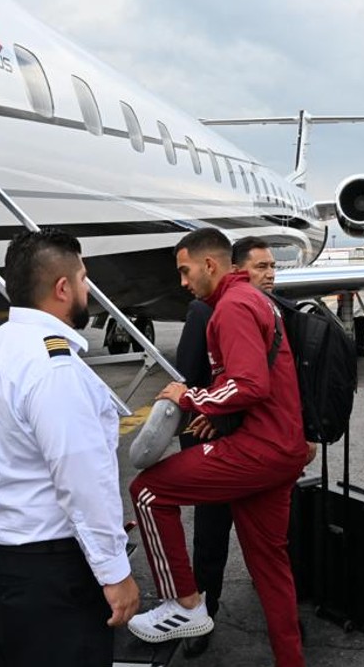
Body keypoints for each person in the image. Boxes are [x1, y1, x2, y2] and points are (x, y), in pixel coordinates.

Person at [0, 228, 139, 667]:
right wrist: (115, 573)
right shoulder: (55, 369)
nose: (86, 289)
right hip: (48, 572)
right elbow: (82, 480)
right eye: (82, 279)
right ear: (62, 288)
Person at [128, 228, 306, 667]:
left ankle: (186, 604)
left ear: (210, 265)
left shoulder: (233, 307)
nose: (183, 283)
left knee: (147, 493)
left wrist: (189, 398)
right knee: (270, 567)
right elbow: (250, 381)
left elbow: (248, 383)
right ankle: (291, 659)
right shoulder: (254, 301)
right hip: (282, 449)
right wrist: (216, 408)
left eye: (185, 272)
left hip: (257, 450)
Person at [171, 236, 282, 659]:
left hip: (260, 448)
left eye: (272, 268)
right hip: (216, 444)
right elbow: (188, 379)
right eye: (258, 268)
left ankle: (278, 616)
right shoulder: (204, 310)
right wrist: (202, 435)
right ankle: (203, 613)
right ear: (234, 269)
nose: (268, 276)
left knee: (272, 540)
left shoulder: (269, 309)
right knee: (211, 540)